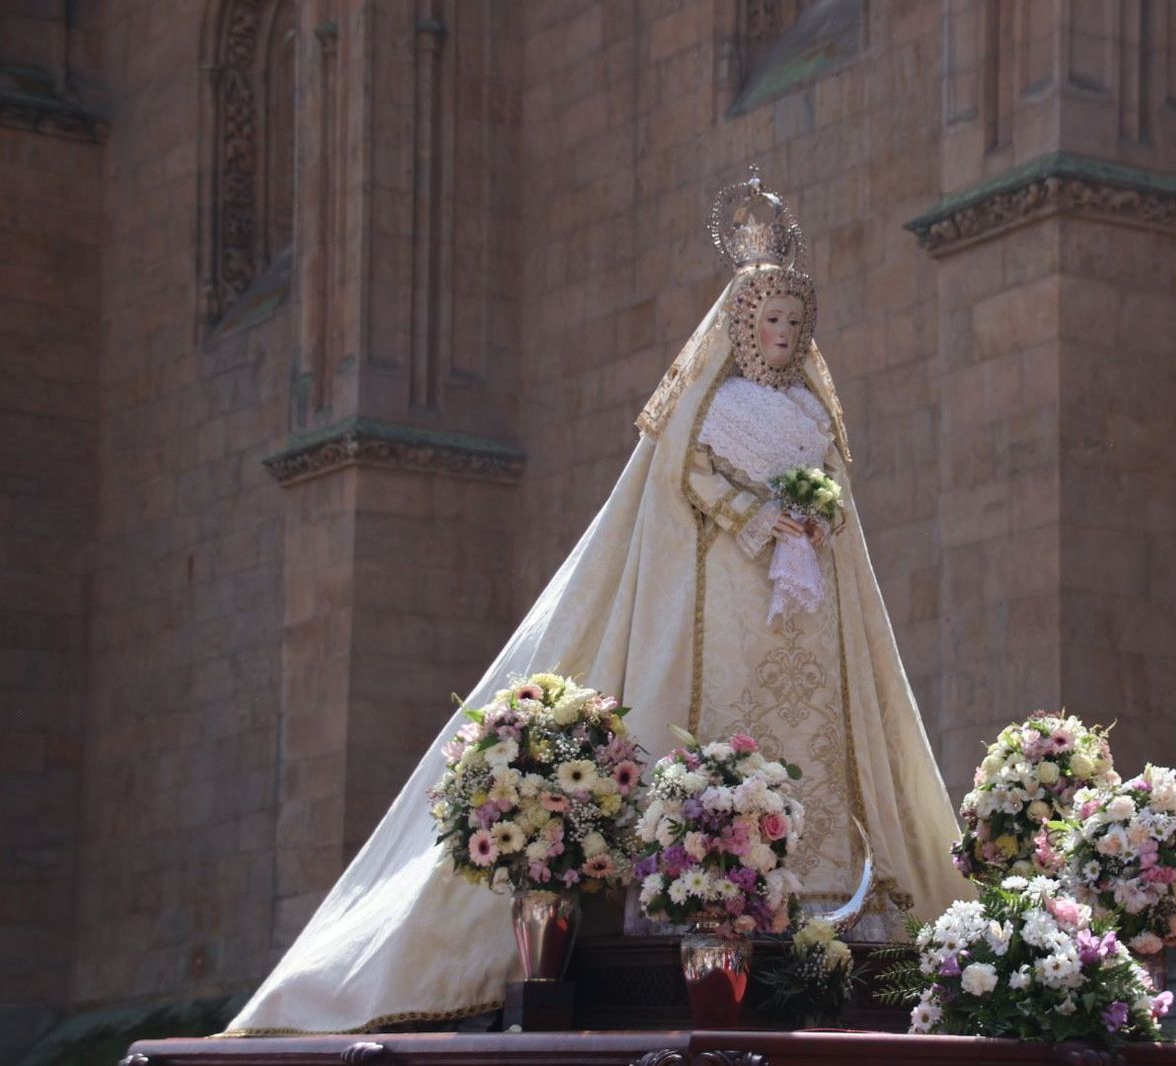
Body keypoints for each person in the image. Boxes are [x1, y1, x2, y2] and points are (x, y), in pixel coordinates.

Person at [223, 171, 972, 1035]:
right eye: (771, 320)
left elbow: (836, 491)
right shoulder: (712, 403)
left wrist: (815, 512)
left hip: (808, 610)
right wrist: (755, 515)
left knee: (814, 738)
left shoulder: (812, 410)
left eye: (794, 323)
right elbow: (686, 477)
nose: (784, 334)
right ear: (741, 325)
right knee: (721, 721)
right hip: (726, 597)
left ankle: (825, 894)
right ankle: (700, 885)